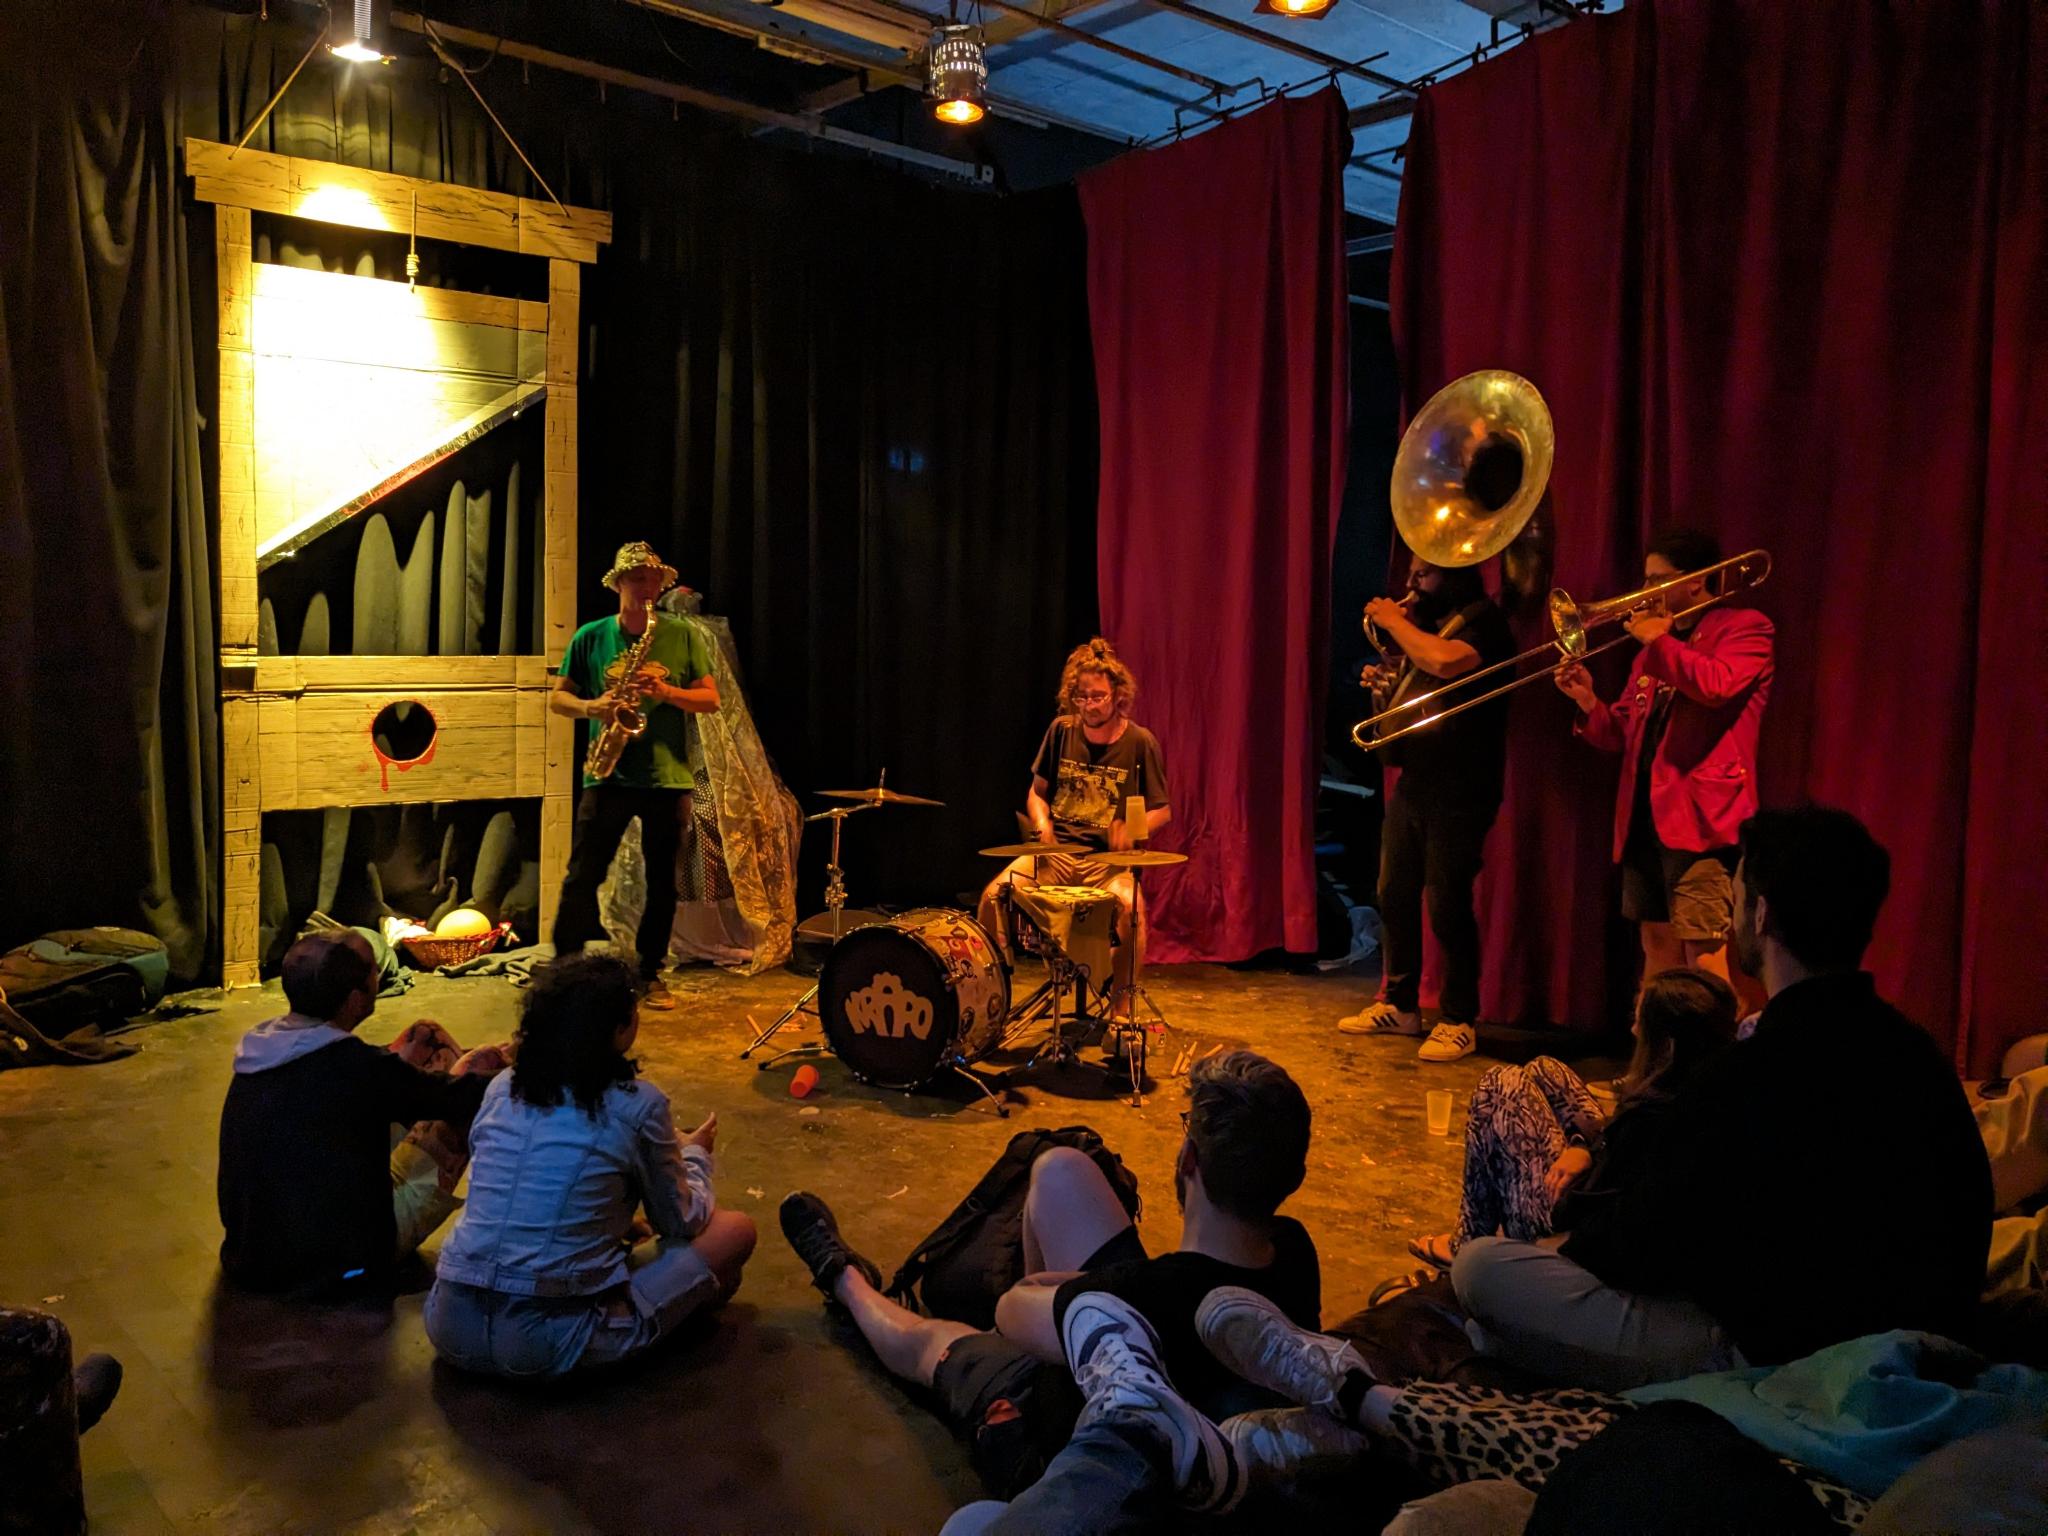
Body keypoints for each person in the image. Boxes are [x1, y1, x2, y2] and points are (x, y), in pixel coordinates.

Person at [1452, 806, 1995, 1389]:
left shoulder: (1749, 1072)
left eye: (1736, 898)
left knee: (1483, 1267)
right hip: (1910, 1340)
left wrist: (1564, 1246)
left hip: (1779, 1356)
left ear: (1761, 914)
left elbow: (1640, 1247)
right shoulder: (1916, 1054)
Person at [779, 1051, 1318, 1498]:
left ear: (1188, 1160)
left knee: (931, 1342)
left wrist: (1058, 1293)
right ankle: (1039, 1355)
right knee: (1059, 1167)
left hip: (1068, 1448)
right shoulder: (1294, 1250)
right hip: (1174, 1385)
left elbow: (1011, 1308)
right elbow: (1170, 1287)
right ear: (1291, 1176)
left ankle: (844, 1279)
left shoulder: (1135, 1297)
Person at [423, 953, 757, 1378]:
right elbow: (680, 1220)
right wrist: (694, 1155)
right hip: (546, 1341)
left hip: (449, 1322)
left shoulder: (502, 1087)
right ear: (620, 1029)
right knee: (734, 1230)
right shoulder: (639, 1104)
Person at [216, 932, 497, 1294]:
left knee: (425, 1038)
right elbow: (455, 1097)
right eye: (373, 973)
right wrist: (519, 1067)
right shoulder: (361, 1069)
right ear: (354, 999)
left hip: (250, 1256)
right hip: (338, 1267)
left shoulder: (260, 1051)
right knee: (481, 1073)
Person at [1553, 528, 1773, 991]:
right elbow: (1623, 734)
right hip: (1643, 820)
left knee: (1702, 950)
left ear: (1694, 581)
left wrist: (1659, 642)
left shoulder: (1745, 627)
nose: (1644, 592)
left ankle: (1711, 1037)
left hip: (1700, 821)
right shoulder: (1656, 647)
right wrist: (1588, 701)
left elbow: (1716, 686)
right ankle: (1656, 1038)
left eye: (1656, 580)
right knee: (1656, 944)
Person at [1408, 967, 1738, 1268]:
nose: (1633, 1024)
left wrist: (1566, 1188)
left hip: (1569, 1232)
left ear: (1666, 1044)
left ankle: (1467, 1243)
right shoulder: (1708, 1089)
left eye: (1642, 1020)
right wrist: (1583, 1146)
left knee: (1500, 1086)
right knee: (1545, 1069)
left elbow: (1607, 1217)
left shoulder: (1651, 1118)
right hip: (1597, 1186)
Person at [1341, 559, 1516, 1063]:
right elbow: (1426, 676)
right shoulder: (1435, 627)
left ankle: (1459, 1019)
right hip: (1418, 780)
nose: (1412, 584)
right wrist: (1390, 684)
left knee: (1446, 902)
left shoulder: (1484, 622)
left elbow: (1444, 663)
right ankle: (1400, 1006)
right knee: (1393, 892)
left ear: (1453, 572)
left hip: (1464, 786)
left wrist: (1394, 624)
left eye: (1423, 574)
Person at [550, 541, 721, 1009]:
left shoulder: (682, 635)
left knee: (662, 881)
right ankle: (564, 968)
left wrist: (665, 691)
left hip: (667, 778)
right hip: (608, 775)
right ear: (618, 584)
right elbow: (558, 698)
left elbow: (710, 700)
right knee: (583, 874)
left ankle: (650, 972)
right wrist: (594, 707)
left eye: (654, 581)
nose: (647, 588)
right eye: (638, 579)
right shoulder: (591, 636)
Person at [977, 637, 1169, 999]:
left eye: (1098, 697)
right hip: (1056, 857)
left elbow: (1162, 809)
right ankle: (994, 996)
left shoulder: (1139, 742)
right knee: (991, 897)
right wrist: (1042, 824)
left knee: (1132, 910)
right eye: (1081, 698)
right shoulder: (1061, 731)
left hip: (1107, 864)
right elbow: (1037, 792)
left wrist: (1133, 830)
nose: (1089, 706)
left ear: (1117, 694)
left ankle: (1120, 1007)